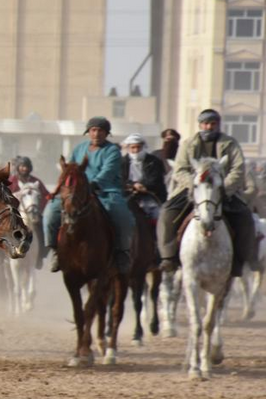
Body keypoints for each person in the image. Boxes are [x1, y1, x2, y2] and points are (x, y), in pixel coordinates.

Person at [157, 109, 259, 275]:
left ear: (218, 125)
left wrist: (224, 187)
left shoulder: (230, 143)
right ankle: (168, 257)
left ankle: (240, 261)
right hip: (192, 189)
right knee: (166, 213)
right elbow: (180, 170)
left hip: (223, 190)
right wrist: (195, 184)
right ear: (199, 125)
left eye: (212, 124)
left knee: (245, 217)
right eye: (205, 123)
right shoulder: (188, 144)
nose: (209, 127)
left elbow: (238, 169)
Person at [43, 116, 135, 274]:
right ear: (88, 132)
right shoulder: (79, 149)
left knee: (123, 216)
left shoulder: (112, 151)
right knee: (50, 212)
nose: (96, 134)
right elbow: (69, 170)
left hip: (105, 191)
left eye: (100, 131)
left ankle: (122, 252)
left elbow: (108, 172)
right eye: (93, 130)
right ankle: (56, 251)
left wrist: (93, 184)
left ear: (106, 134)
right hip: (76, 193)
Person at [8, 155, 49, 268]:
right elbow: (6, 196)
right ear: (18, 167)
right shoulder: (12, 181)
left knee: (42, 229)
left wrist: (38, 208)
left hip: (33, 213)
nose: (24, 169)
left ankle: (40, 255)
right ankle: (2, 255)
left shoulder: (36, 181)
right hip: (14, 213)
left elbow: (45, 195)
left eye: (26, 166)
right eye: (22, 166)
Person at [120, 133, 166, 221]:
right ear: (128, 148)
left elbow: (156, 179)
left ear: (143, 147)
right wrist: (133, 185)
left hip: (151, 197)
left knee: (159, 217)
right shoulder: (122, 162)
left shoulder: (154, 161)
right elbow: (120, 179)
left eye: (138, 147)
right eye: (133, 147)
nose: (136, 150)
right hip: (128, 196)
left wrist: (143, 186)